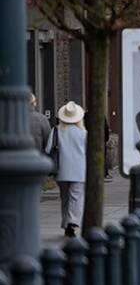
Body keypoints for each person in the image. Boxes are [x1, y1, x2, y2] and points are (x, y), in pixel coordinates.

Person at [48, 101, 87, 237]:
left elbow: (48, 149)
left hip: (62, 170)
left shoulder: (56, 131)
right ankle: (72, 222)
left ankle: (66, 222)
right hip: (79, 170)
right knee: (76, 197)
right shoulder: (84, 133)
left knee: (64, 198)